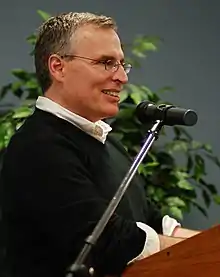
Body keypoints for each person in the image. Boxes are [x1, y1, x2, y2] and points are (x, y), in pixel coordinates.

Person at [0, 12, 200, 277]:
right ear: (58, 67)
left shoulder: (109, 143)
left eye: (121, 64)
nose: (122, 78)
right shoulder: (38, 147)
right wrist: (199, 253)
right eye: (106, 63)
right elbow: (107, 241)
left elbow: (152, 221)